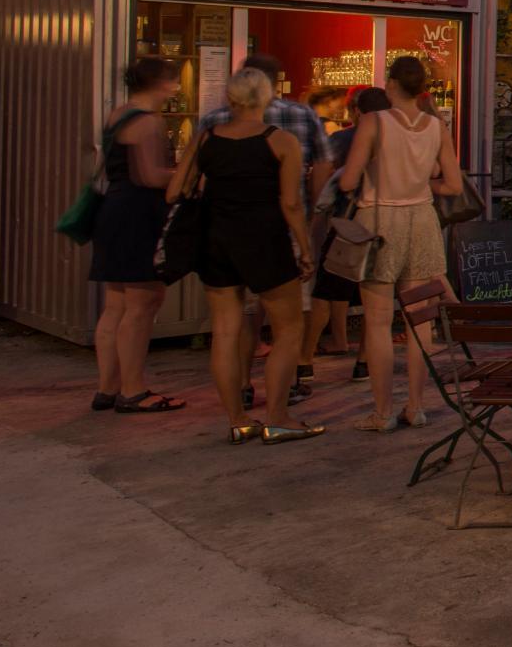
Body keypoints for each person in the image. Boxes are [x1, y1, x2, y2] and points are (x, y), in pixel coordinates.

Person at [169, 66, 319, 444]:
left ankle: (238, 419)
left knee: (225, 331)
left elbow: (174, 191)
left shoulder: (205, 139)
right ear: (266, 98)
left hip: (216, 239)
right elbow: (291, 203)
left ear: (231, 99)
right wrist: (304, 246)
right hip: (264, 238)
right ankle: (278, 416)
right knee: (287, 329)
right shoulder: (280, 141)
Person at [335, 55, 459, 433]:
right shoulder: (437, 127)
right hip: (422, 219)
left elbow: (346, 181)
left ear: (391, 85)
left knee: (377, 323)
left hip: (379, 219)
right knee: (420, 322)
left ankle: (383, 410)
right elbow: (452, 185)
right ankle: (416, 406)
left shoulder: (374, 122)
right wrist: (423, 185)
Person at [203, 53, 332, 401]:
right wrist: (311, 224)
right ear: (274, 83)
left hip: (224, 233)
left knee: (237, 322)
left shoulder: (214, 121)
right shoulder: (301, 117)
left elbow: (193, 182)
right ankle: (283, 393)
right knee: (286, 321)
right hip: (281, 231)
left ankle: (241, 392)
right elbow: (320, 170)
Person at [90, 57, 183, 414]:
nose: (176, 89)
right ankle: (134, 390)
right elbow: (149, 176)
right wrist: (185, 169)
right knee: (143, 304)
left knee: (114, 305)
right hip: (138, 214)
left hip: (112, 211)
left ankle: (107, 388)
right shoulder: (149, 123)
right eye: (173, 82)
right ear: (162, 83)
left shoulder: (118, 115)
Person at [312, 87, 391, 373]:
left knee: (326, 290)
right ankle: (363, 362)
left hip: (349, 222)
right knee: (375, 295)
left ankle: (304, 362)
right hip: (385, 222)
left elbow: (338, 180)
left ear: (357, 111)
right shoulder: (397, 139)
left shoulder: (344, 138)